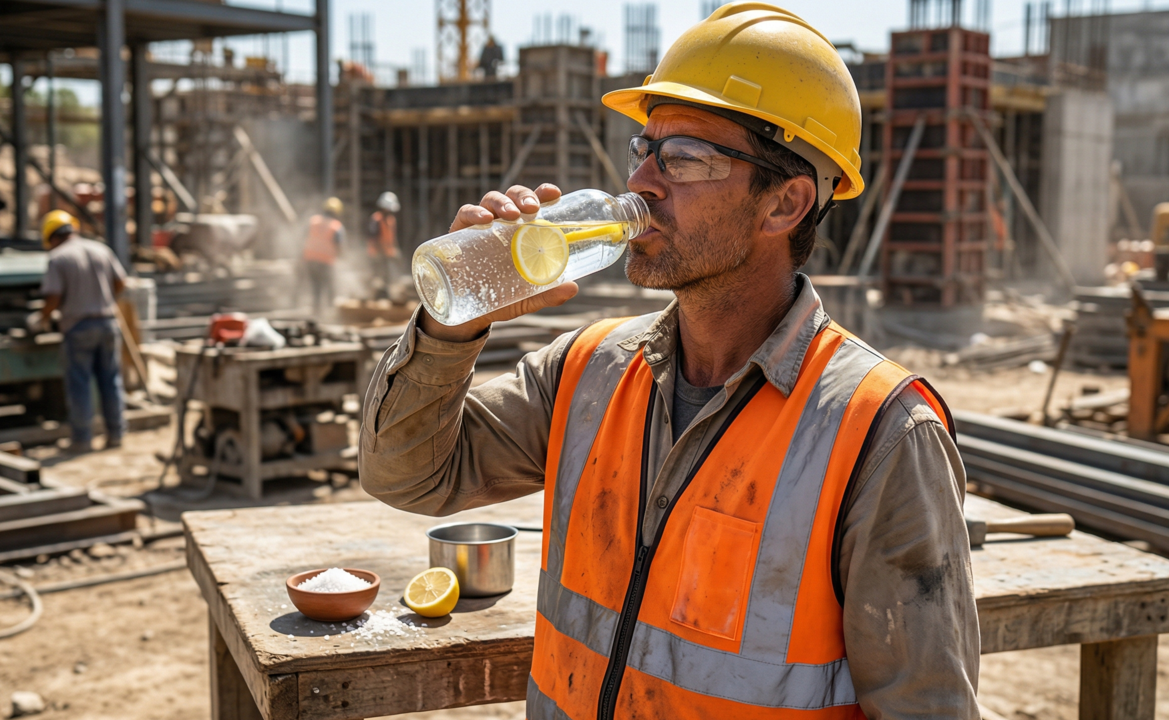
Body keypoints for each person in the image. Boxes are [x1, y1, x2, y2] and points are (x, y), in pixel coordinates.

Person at [359, 5, 979, 719]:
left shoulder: (881, 435)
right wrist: (449, 325)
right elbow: (406, 474)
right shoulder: (589, 370)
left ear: (786, 203)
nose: (643, 183)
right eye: (642, 149)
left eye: (683, 157)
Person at [38, 210, 128, 453]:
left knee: (80, 384)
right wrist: (104, 298)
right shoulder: (101, 249)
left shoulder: (58, 257)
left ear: (52, 237)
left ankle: (82, 440)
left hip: (78, 327)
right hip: (108, 323)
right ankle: (116, 434)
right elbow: (121, 282)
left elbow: (53, 297)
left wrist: (41, 318)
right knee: (111, 380)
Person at [304, 197, 345, 310]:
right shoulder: (336, 226)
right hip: (326, 262)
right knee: (330, 289)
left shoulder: (313, 221)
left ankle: (316, 311)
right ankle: (331, 312)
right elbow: (339, 246)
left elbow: (304, 238)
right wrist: (340, 258)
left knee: (316, 289)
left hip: (310, 260)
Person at [366, 191, 400, 298]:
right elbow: (374, 238)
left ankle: (385, 296)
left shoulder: (391, 220)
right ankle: (373, 297)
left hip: (387, 254)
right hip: (377, 254)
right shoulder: (376, 219)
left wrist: (395, 250)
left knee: (388, 278)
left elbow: (392, 238)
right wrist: (380, 252)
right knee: (376, 277)